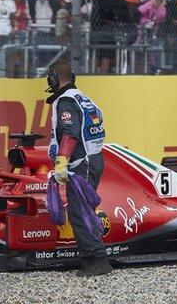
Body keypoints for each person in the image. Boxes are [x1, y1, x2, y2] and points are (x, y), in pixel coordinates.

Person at [45, 59, 111, 277]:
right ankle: (94, 256)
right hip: (94, 159)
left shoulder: (65, 102)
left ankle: (96, 261)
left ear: (54, 79)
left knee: (80, 212)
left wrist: (62, 161)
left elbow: (70, 132)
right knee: (84, 210)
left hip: (82, 164)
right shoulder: (81, 97)